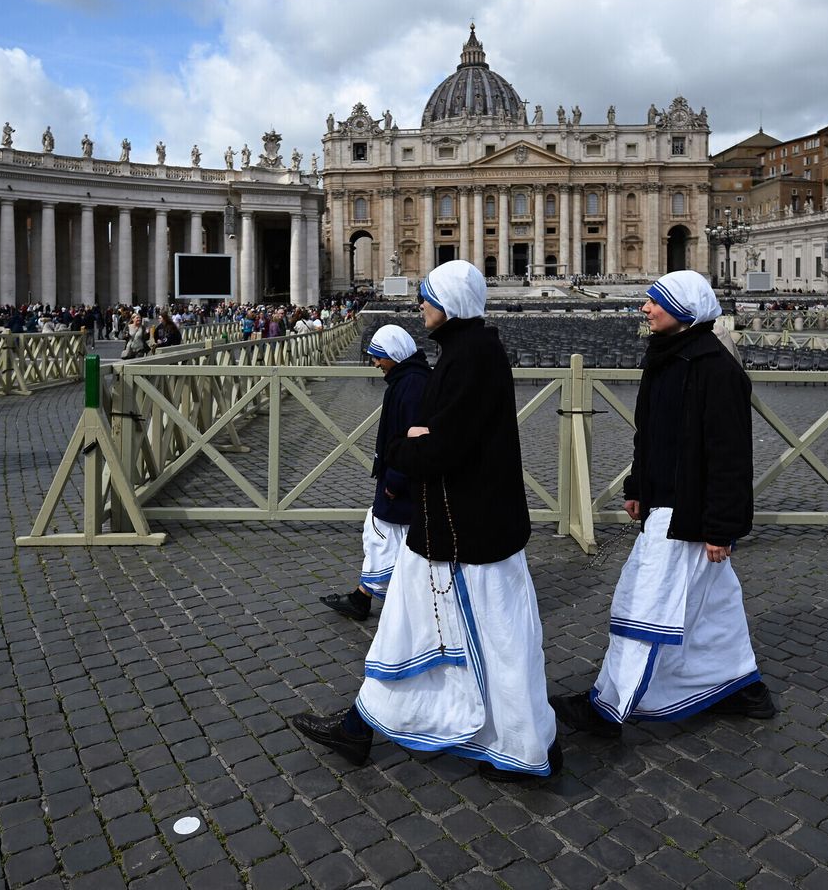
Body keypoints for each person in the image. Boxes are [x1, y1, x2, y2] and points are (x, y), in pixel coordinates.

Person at [291, 260, 561, 781]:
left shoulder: (467, 359)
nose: (420, 306)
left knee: (472, 638)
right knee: (439, 633)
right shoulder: (474, 351)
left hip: (459, 531)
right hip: (466, 526)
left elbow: (442, 448)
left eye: (428, 297)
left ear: (450, 305)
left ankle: (523, 747)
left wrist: (400, 446)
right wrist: (418, 437)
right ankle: (365, 726)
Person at [550, 270, 775, 741]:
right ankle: (740, 688)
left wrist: (720, 527)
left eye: (655, 301)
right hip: (666, 502)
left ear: (684, 310)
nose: (644, 308)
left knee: (643, 605)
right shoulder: (665, 356)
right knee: (714, 607)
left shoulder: (716, 369)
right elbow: (649, 434)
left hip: (686, 513)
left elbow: (731, 456)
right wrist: (638, 486)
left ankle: (608, 707)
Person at [320, 325, 428, 621]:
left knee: (385, 532)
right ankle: (364, 596)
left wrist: (394, 480)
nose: (375, 362)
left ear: (395, 354)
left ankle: (370, 598)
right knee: (386, 533)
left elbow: (412, 438)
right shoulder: (407, 379)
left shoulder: (412, 385)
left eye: (379, 356)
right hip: (397, 474)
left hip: (400, 477)